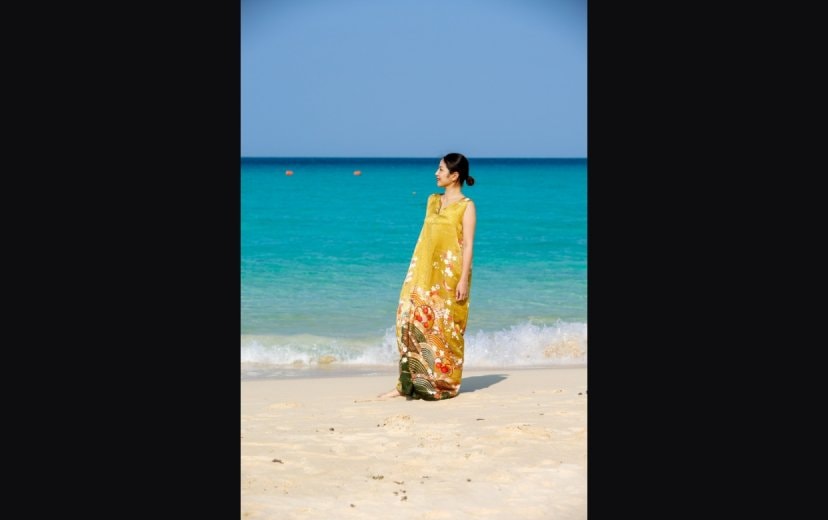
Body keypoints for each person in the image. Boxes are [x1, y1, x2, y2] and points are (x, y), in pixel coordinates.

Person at [381, 153, 477, 400]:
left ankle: (443, 383)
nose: (436, 173)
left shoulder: (466, 206)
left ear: (454, 176)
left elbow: (468, 245)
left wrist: (463, 279)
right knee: (407, 319)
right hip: (421, 271)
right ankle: (406, 383)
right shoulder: (432, 200)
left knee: (444, 327)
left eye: (441, 169)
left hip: (449, 275)